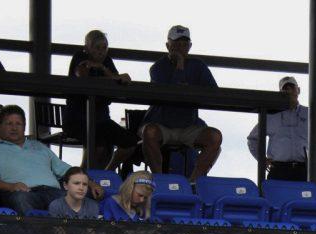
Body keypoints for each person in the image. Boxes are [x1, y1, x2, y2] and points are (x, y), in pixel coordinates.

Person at [0, 105, 103, 215]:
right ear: (0, 126)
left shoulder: (39, 146)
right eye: (9, 124)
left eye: (18, 124)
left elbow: (65, 170)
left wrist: (91, 183)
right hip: (22, 194)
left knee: (81, 194)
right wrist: (12, 186)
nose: (14, 128)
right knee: (20, 199)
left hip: (53, 191)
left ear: (24, 127)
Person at [141, 25, 222, 183]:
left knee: (214, 137)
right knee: (149, 132)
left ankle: (193, 182)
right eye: (176, 44)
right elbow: (171, 93)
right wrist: (179, 66)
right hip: (162, 124)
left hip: (189, 126)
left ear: (190, 46)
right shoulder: (157, 67)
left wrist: (192, 90)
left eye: (184, 44)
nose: (180, 48)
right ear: (167, 46)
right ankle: (159, 180)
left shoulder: (198, 66)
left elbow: (213, 93)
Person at [62, 30, 137, 172]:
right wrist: (113, 77)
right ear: (87, 48)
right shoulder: (80, 57)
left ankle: (107, 173)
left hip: (101, 120)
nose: (101, 52)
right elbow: (82, 77)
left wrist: (102, 68)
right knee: (98, 143)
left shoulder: (107, 61)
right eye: (97, 48)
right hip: (77, 120)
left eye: (104, 48)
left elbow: (119, 80)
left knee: (130, 142)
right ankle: (80, 177)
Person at [247, 76, 308, 181]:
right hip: (279, 169)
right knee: (275, 197)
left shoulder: (310, 113)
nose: (289, 91)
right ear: (280, 93)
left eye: (292, 88)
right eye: (285, 89)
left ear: (298, 90)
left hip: (304, 169)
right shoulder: (271, 115)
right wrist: (262, 159)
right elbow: (252, 138)